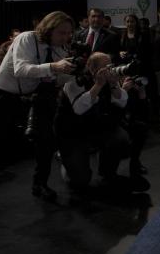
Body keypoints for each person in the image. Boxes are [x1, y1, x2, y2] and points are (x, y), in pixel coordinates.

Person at [0, 11, 76, 212]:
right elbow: (21, 69)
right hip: (1, 96)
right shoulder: (26, 38)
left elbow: (57, 78)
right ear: (49, 28)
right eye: (62, 32)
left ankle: (40, 184)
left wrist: (76, 74)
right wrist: (54, 66)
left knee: (46, 142)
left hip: (32, 98)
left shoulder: (60, 49)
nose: (66, 37)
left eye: (68, 33)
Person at [54, 52, 148, 193]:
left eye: (110, 65)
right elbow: (79, 109)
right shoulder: (74, 81)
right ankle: (65, 160)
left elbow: (122, 102)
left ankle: (107, 172)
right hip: (73, 132)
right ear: (92, 68)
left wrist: (113, 85)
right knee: (80, 181)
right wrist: (98, 85)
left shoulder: (111, 78)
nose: (109, 69)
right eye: (105, 66)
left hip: (97, 126)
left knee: (120, 137)